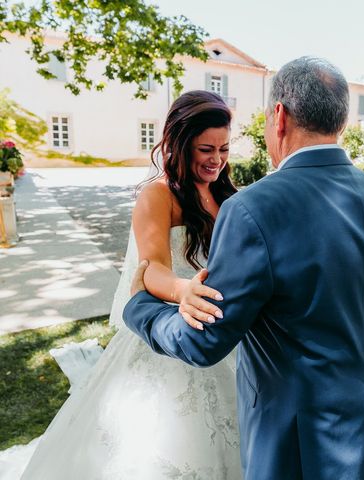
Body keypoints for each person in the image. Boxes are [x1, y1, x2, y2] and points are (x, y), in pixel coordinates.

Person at [124, 56, 364, 480]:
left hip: (300, 443)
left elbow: (204, 343)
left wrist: (140, 309)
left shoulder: (250, 207)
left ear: (278, 116)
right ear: (342, 121)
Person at [18, 91, 243, 479]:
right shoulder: (158, 195)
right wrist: (182, 291)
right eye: (206, 148)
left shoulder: (227, 194)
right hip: (167, 332)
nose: (216, 160)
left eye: (223, 149)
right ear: (179, 143)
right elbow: (151, 268)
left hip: (220, 331)